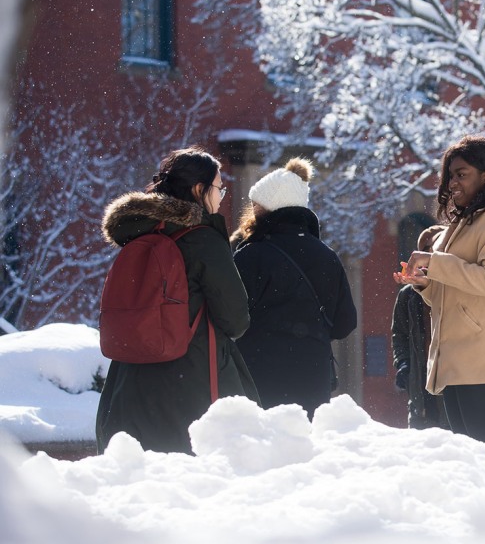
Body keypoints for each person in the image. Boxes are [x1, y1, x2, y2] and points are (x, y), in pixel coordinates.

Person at [96, 146, 260, 454]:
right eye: (218, 189)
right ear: (199, 189)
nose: (220, 197)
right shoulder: (202, 239)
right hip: (190, 388)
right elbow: (235, 318)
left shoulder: (137, 234)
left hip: (128, 387)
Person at [393, 135, 485, 450]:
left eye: (461, 174)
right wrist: (422, 282)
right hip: (456, 362)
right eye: (449, 175)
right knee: (472, 463)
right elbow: (452, 293)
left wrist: (434, 261)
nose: (452, 182)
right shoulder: (462, 223)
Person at [231, 158, 357, 420]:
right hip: (313, 377)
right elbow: (345, 323)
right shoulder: (328, 257)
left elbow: (230, 318)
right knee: (303, 451)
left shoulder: (251, 255)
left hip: (259, 375)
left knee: (262, 452)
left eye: (256, 204)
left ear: (269, 208)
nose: (252, 210)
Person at [391, 224, 450, 430]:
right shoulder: (408, 295)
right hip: (421, 391)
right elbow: (399, 335)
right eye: (423, 249)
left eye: (433, 249)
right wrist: (404, 365)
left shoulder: (455, 289)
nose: (427, 255)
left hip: (451, 385)